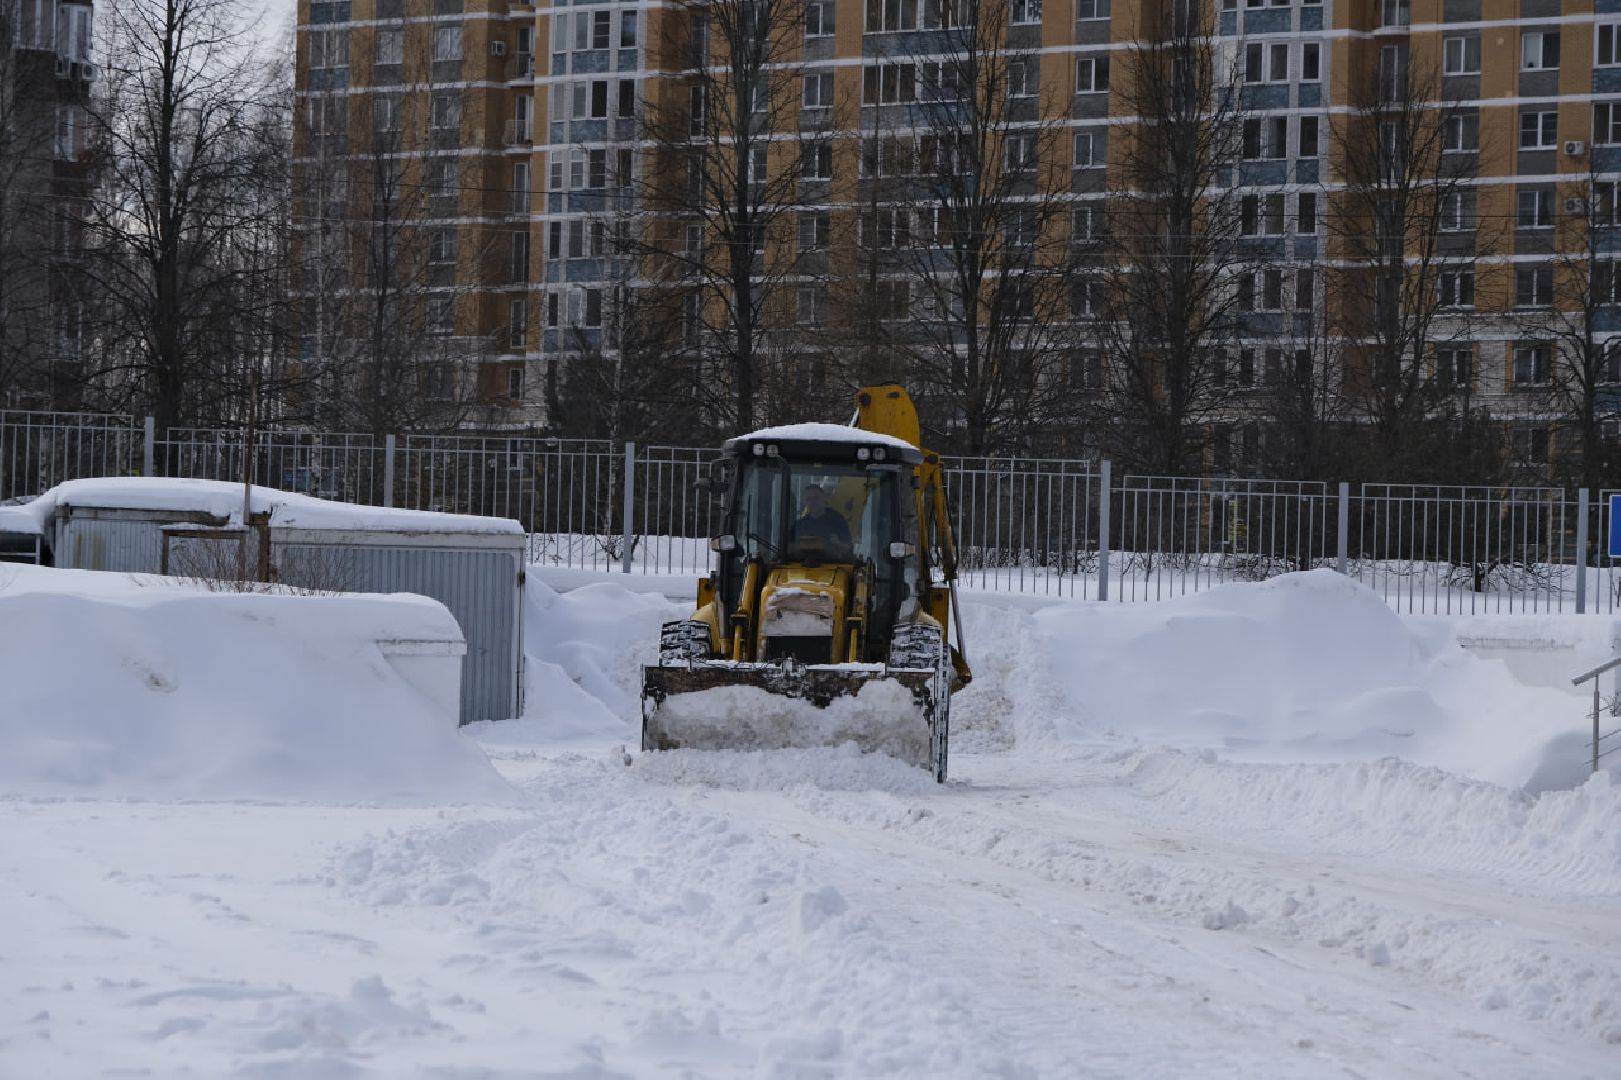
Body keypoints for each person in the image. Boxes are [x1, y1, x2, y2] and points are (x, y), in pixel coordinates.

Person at [791, 483, 851, 555]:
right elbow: (788, 549)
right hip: (799, 564)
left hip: (832, 564)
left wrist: (837, 543)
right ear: (805, 502)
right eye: (808, 499)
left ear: (824, 498)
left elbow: (849, 549)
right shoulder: (799, 525)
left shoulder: (838, 521)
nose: (812, 502)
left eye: (815, 498)